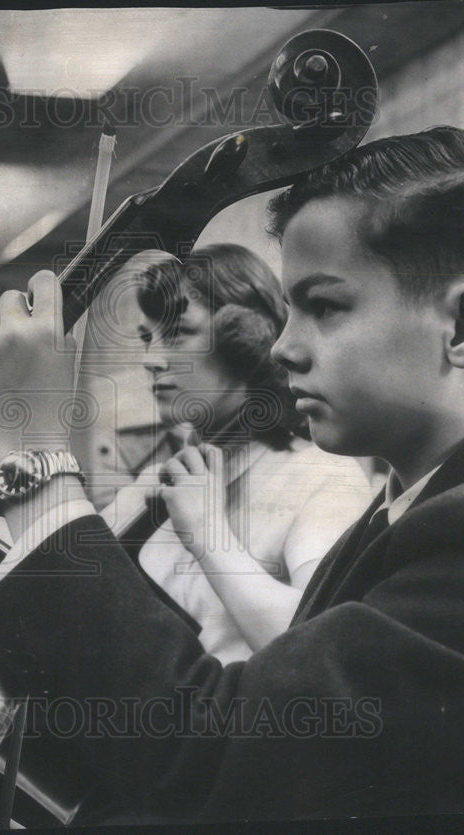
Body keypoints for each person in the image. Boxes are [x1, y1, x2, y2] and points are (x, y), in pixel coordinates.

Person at [0, 127, 464, 819]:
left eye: (325, 306)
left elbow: (210, 760)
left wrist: (28, 457)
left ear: (461, 326)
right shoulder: (433, 499)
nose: (281, 345)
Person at [96, 245, 372, 662]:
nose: (151, 360)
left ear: (243, 339)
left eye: (176, 332)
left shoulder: (324, 477)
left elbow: (319, 652)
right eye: (146, 338)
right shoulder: (160, 479)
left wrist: (209, 535)